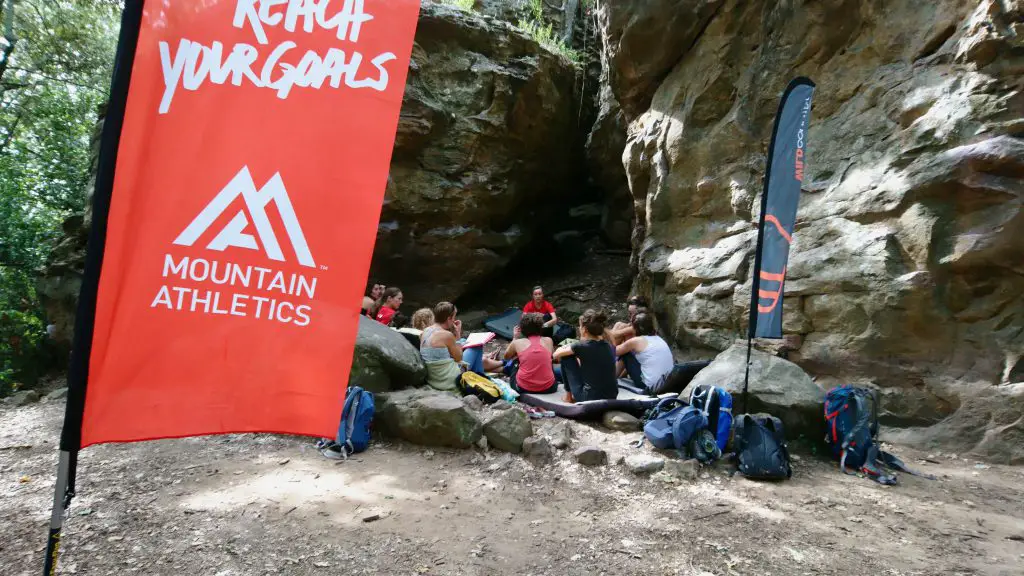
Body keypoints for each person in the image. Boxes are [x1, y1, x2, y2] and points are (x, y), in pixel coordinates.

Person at [553, 309, 618, 403]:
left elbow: (555, 355)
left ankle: (568, 397)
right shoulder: (607, 345)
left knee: (566, 357)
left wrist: (565, 348)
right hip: (612, 395)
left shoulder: (581, 346)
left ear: (585, 329)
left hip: (589, 398)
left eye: (580, 326)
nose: (579, 328)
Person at [615, 312, 674, 392]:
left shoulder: (637, 341)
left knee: (626, 354)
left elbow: (613, 351)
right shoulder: (659, 339)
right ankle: (618, 378)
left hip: (649, 387)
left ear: (635, 328)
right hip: (666, 385)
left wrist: (621, 335)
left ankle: (611, 380)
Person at [502, 313, 556, 394]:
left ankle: (503, 367)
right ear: (541, 327)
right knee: (548, 358)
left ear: (522, 328)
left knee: (516, 359)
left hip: (523, 387)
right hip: (549, 388)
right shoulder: (549, 340)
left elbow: (506, 357)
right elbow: (553, 358)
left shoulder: (517, 343)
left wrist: (515, 337)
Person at [419, 302, 464, 390]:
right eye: (454, 317)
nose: (455, 320)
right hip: (448, 379)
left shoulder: (425, 331)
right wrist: (458, 334)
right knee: (475, 350)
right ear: (449, 318)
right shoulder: (446, 335)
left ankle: (498, 367)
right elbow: (459, 358)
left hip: (433, 379)